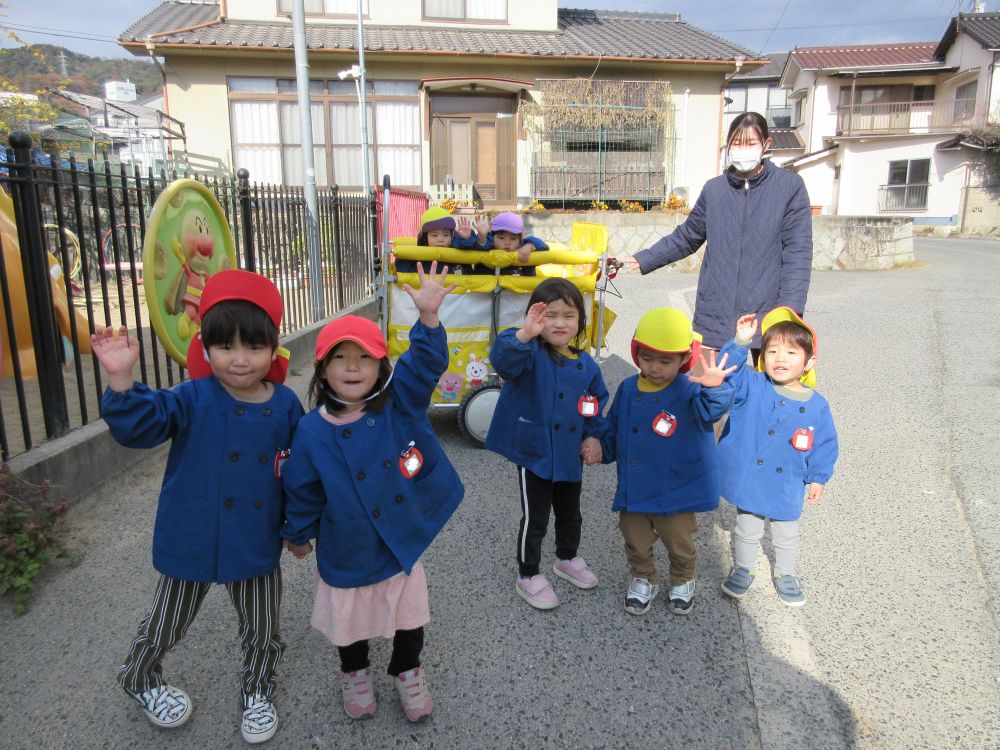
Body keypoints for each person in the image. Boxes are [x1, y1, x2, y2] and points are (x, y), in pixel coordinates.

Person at [94, 270, 304, 744]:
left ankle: (257, 690)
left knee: (263, 624)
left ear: (272, 349)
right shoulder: (191, 397)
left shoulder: (287, 405)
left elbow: (299, 473)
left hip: (255, 536)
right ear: (206, 348)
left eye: (252, 347)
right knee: (167, 619)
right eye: (225, 347)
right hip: (193, 531)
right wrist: (122, 378)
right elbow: (141, 427)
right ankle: (140, 677)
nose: (239, 360)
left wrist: (298, 527)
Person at [280, 261, 464, 723]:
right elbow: (301, 488)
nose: (353, 367)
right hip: (346, 543)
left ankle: (407, 668)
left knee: (409, 615)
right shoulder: (310, 431)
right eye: (340, 357)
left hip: (398, 536)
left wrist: (427, 319)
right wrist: (298, 532)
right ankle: (355, 670)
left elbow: (424, 367)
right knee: (349, 619)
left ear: (381, 365)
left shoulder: (399, 403)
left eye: (364, 357)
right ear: (321, 370)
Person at [582, 308, 735, 615]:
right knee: (634, 539)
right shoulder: (627, 388)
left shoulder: (692, 389)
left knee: (679, 542)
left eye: (665, 361)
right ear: (636, 352)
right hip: (635, 487)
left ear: (683, 360)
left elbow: (711, 411)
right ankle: (643, 577)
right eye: (647, 357)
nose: (654, 367)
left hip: (675, 488)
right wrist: (600, 443)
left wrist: (715, 386)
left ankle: (682, 579)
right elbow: (614, 427)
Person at [630, 112, 813, 360]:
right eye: (737, 143)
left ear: (767, 145)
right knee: (708, 389)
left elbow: (798, 252)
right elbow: (687, 236)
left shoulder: (790, 187)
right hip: (715, 310)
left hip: (767, 309)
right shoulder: (714, 189)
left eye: (751, 143)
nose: (742, 149)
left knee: (770, 391)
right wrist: (644, 258)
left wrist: (790, 312)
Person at [485, 277, 609, 610]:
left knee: (571, 513)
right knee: (535, 517)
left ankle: (566, 557)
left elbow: (594, 404)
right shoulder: (528, 353)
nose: (558, 322)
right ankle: (528, 574)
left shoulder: (587, 365)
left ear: (580, 322)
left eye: (568, 315)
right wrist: (525, 333)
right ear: (534, 318)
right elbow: (503, 358)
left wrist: (594, 435)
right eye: (549, 315)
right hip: (535, 452)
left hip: (570, 454)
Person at [716, 308, 839, 607]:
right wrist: (739, 343)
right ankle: (743, 568)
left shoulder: (817, 405)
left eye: (791, 352)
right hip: (752, 476)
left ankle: (785, 573)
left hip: (788, 480)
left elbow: (825, 443)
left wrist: (818, 477)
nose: (780, 358)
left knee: (785, 532)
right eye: (772, 350)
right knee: (746, 527)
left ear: (809, 362)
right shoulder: (753, 384)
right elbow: (727, 375)